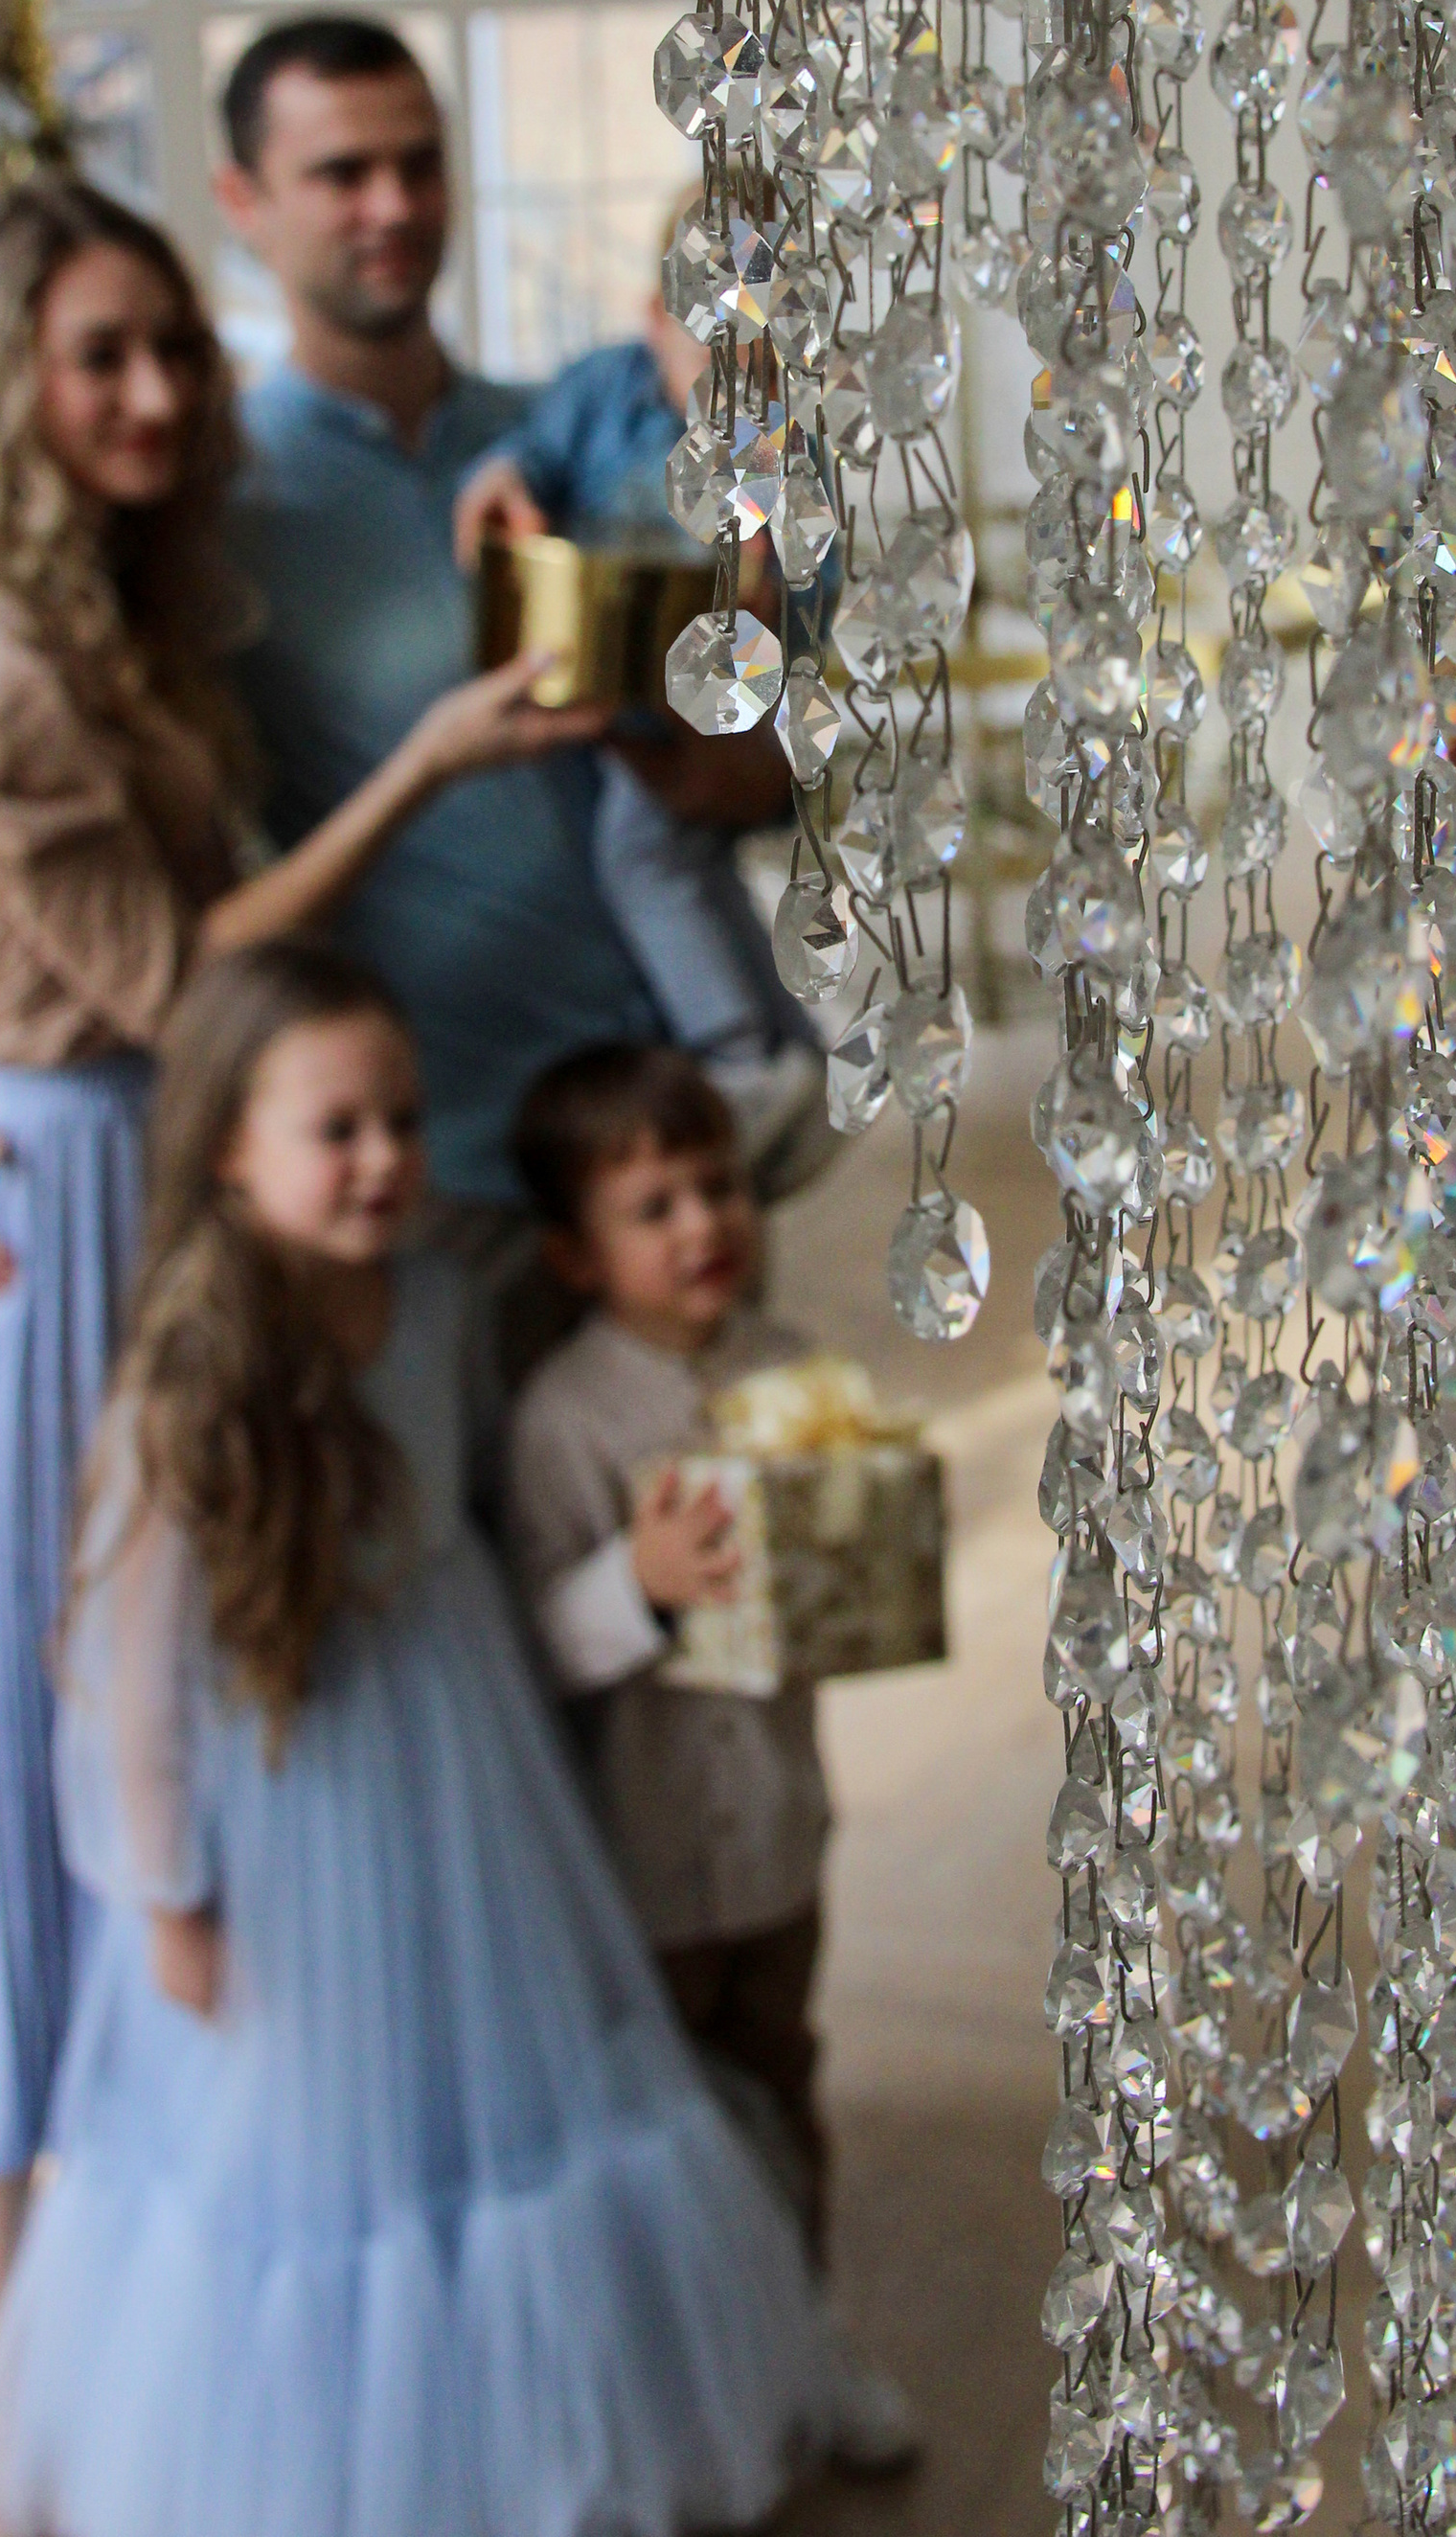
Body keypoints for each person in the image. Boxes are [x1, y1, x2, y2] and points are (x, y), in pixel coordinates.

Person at [0, 174, 585, 2466]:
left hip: (153, 1183)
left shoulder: (130, 588)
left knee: (201, 1775)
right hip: (65, 1215)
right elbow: (174, 990)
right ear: (8, 382)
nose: (152, 393)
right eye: (98, 356)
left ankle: (147, 2348)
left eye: (168, 343)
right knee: (45, 1783)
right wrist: (426, 762)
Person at [0, 940, 868, 2537]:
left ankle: (548, 2435)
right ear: (231, 1149)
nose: (386, 1158)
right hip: (293, 1782)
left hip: (463, 1750)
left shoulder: (443, 1297)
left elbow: (468, 1503)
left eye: (401, 1119)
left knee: (519, 2088)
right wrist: (166, 1888)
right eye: (338, 1130)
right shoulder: (191, 1365)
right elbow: (130, 1667)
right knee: (322, 2124)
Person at [0, 13, 815, 1401]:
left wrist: (719, 767)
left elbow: (774, 767)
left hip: (650, 1155)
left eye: (419, 163)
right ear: (244, 203)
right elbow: (65, 808)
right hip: (413, 1171)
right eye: (340, 174)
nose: (392, 206)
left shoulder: (585, 444)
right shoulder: (203, 506)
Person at [505, 1043, 912, 2461]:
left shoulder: (795, 1370)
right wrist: (642, 1575)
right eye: (656, 1207)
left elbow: (845, 1595)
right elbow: (543, 1645)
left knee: (785, 2086)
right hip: (646, 1858)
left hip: (782, 1835)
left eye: (720, 1188)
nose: (704, 1227)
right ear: (573, 1254)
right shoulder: (566, 1421)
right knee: (670, 2128)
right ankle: (678, 2386)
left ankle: (810, 2344)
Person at [456, 221, 831, 1191]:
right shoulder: (598, 394)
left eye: (766, 339)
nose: (735, 365)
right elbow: (521, 460)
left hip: (701, 719)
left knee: (665, 856)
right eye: (707, 331)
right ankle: (767, 1053)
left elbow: (814, 626)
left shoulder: (787, 462)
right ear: (651, 322)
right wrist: (498, 486)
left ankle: (749, 1057)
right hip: (601, 682)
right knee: (669, 865)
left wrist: (772, 604)